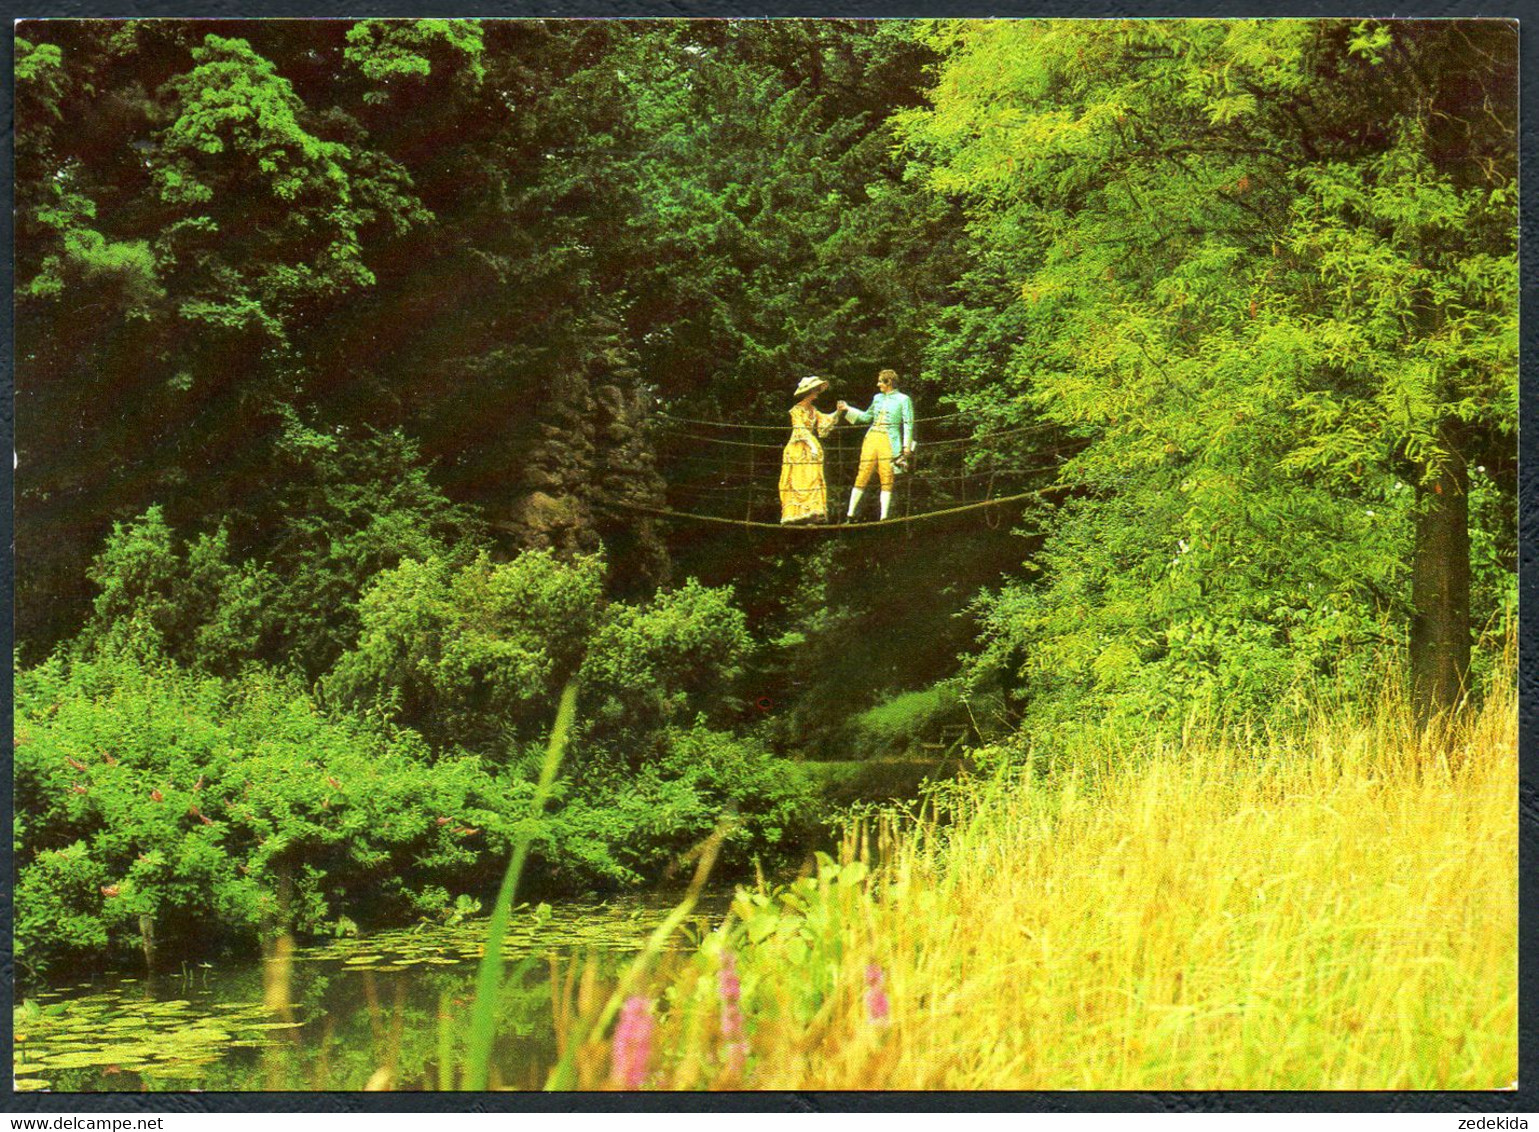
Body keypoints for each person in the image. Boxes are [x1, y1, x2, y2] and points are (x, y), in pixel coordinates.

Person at [838, 368, 915, 522]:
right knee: (863, 472)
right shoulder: (877, 398)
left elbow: (908, 423)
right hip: (872, 437)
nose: (878, 384)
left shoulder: (903, 399)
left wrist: (906, 446)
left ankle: (884, 517)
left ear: (889, 382)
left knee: (887, 475)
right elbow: (867, 417)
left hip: (889, 439)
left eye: (881, 381)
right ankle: (850, 514)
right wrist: (848, 409)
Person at [779, 375, 841, 524]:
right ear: (810, 391)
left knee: (812, 478)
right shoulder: (797, 410)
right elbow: (799, 429)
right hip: (798, 447)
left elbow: (824, 424)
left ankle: (811, 512)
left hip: (811, 448)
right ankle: (796, 514)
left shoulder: (813, 410)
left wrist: (838, 412)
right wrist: (812, 446)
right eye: (816, 390)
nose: (818, 392)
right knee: (798, 479)